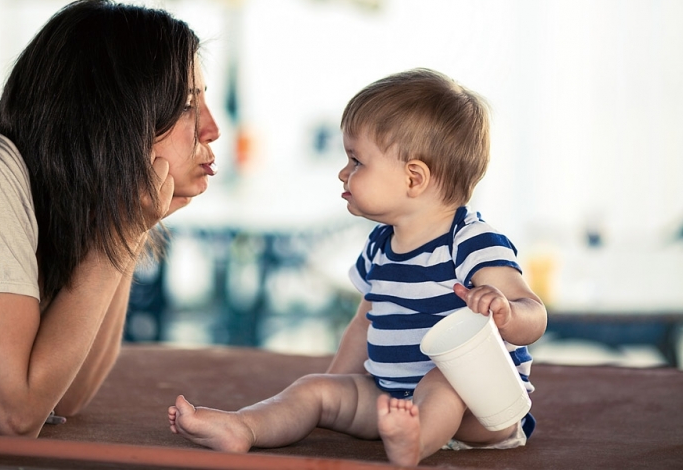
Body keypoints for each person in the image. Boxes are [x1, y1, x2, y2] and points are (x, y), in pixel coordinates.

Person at [168, 68, 547, 467]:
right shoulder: (380, 246)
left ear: (413, 178)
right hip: (390, 399)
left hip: (483, 409)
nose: (343, 172)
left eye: (356, 160)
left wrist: (506, 312)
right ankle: (243, 427)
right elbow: (364, 323)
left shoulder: (469, 240)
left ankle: (413, 444)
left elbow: (533, 314)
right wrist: (334, 388)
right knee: (312, 389)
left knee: (444, 379)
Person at [0, 0, 220, 435]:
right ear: (113, 118)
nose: (212, 128)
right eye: (186, 105)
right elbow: (16, 414)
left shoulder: (47, 201)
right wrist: (117, 233)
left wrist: (128, 231)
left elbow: (65, 396)